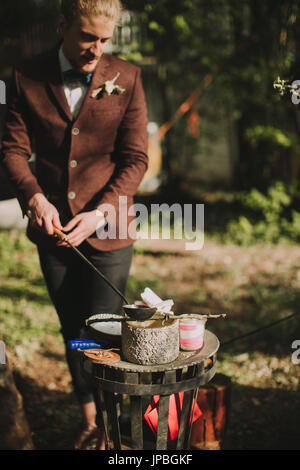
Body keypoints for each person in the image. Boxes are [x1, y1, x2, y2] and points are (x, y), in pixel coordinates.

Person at [1, 0, 148, 450]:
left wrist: (103, 211)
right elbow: (10, 149)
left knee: (103, 331)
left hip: (110, 228)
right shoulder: (24, 76)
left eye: (106, 40)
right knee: (75, 331)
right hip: (53, 232)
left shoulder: (129, 76)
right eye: (88, 37)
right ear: (63, 25)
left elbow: (136, 159)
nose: (96, 50)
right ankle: (89, 417)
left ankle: (110, 424)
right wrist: (35, 197)